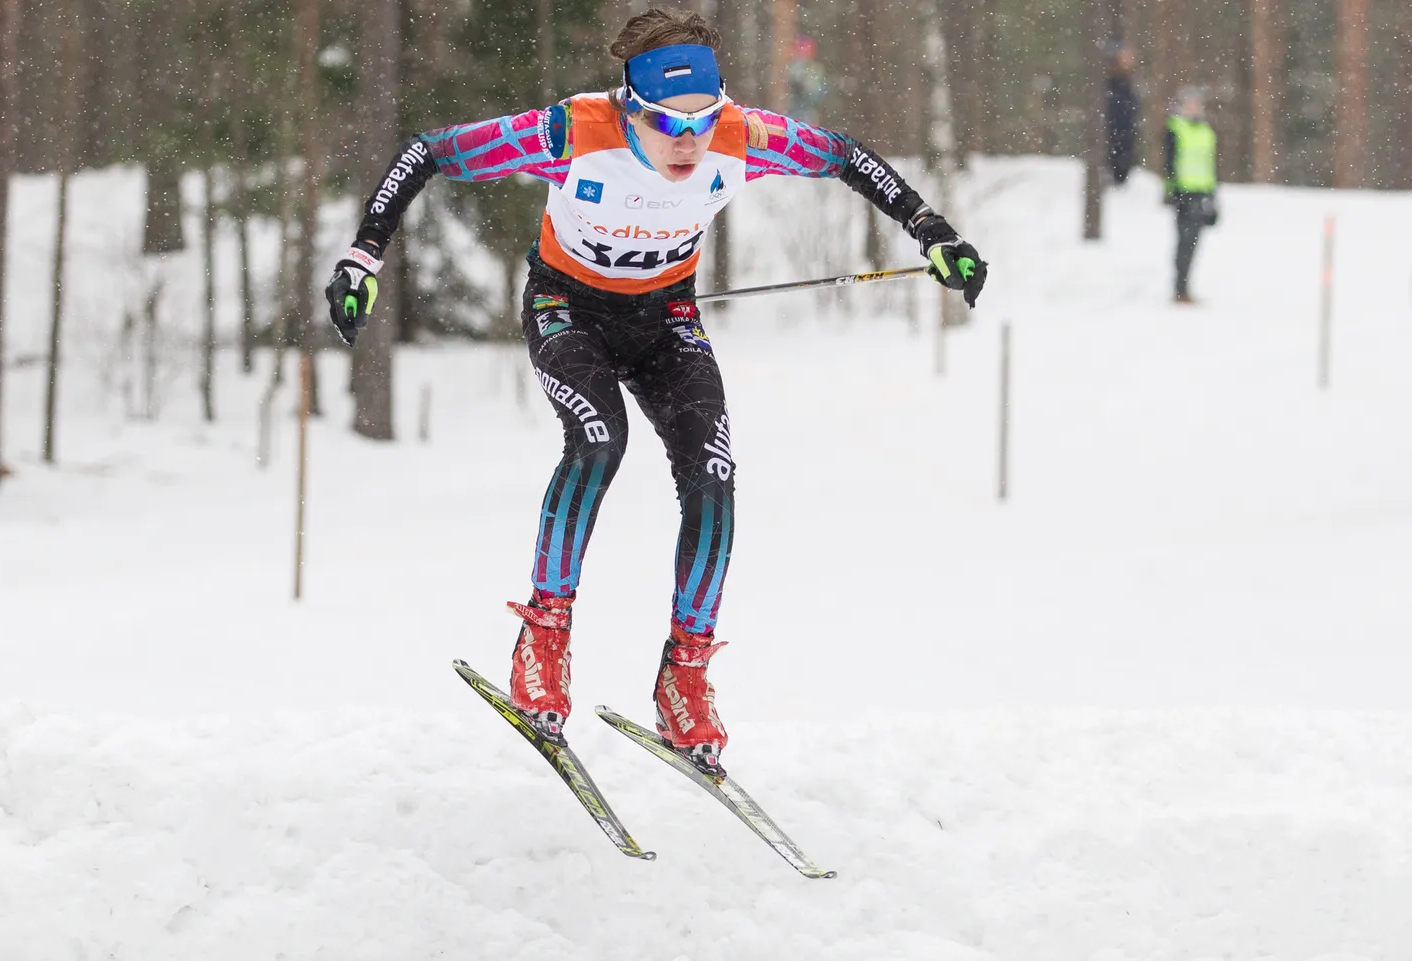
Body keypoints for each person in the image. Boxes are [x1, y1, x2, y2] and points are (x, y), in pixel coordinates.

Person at [324, 8, 988, 771]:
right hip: (565, 307)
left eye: (702, 120)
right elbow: (429, 152)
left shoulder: (742, 134)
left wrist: (935, 231)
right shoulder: (570, 133)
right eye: (667, 123)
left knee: (713, 477)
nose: (688, 141)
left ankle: (686, 675)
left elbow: (845, 158)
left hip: (666, 318)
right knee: (599, 440)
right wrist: (363, 256)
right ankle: (543, 638)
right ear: (629, 106)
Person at [1164, 85, 1218, 304]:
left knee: (1194, 241)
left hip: (1202, 192)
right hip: (1183, 192)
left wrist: (1213, 197)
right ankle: (1180, 287)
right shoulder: (1175, 128)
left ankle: (1184, 287)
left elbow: (1210, 164)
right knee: (1184, 240)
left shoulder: (1206, 132)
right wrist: (1170, 191)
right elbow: (1169, 162)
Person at [1105, 44, 1139, 186]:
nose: (1129, 61)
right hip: (1114, 138)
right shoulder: (1111, 84)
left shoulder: (1128, 83)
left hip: (1125, 137)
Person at [786, 36, 830, 125]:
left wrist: (806, 87)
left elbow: (818, 93)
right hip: (792, 111)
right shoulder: (792, 67)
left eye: (805, 50)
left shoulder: (816, 69)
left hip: (808, 113)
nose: (802, 53)